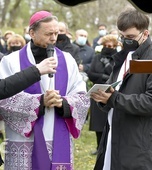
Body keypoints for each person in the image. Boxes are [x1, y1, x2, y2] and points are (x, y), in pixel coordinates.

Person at [0, 10, 90, 170]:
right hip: (24, 140)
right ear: (32, 33)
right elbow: (3, 100)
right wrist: (39, 102)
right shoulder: (10, 61)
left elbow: (82, 97)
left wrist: (63, 103)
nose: (54, 38)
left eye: (56, 33)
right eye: (48, 34)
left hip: (57, 135)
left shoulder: (68, 60)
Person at [91, 8, 152, 170]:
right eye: (122, 37)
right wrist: (103, 98)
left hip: (140, 143)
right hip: (115, 134)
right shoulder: (124, 56)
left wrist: (113, 99)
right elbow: (112, 86)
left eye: (130, 37)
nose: (125, 41)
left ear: (145, 33)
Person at [88, 34, 121, 155]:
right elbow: (91, 73)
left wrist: (105, 76)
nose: (108, 48)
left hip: (109, 92)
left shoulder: (117, 59)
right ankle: (99, 147)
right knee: (97, 121)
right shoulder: (97, 58)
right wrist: (103, 77)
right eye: (106, 46)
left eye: (111, 46)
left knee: (108, 120)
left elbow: (115, 74)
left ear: (115, 46)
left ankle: (109, 146)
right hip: (97, 91)